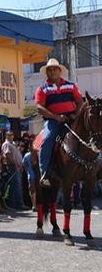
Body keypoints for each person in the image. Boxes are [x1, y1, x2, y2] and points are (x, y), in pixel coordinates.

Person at [35, 58, 83, 187]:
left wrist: (75, 114)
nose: (52, 71)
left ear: (60, 71)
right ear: (47, 72)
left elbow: (80, 102)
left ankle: (94, 168)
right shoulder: (42, 89)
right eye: (49, 70)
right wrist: (55, 117)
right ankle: (44, 173)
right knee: (47, 141)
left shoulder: (71, 85)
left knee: (88, 136)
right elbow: (39, 107)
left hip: (72, 119)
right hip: (53, 121)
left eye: (54, 69)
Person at [2, 131, 28, 210]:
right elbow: (8, 155)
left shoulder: (12, 144)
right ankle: (15, 204)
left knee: (18, 186)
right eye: (9, 135)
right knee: (15, 186)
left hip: (18, 167)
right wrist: (15, 164)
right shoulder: (6, 144)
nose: (11, 136)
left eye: (12, 135)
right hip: (13, 167)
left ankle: (18, 203)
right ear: (6, 136)